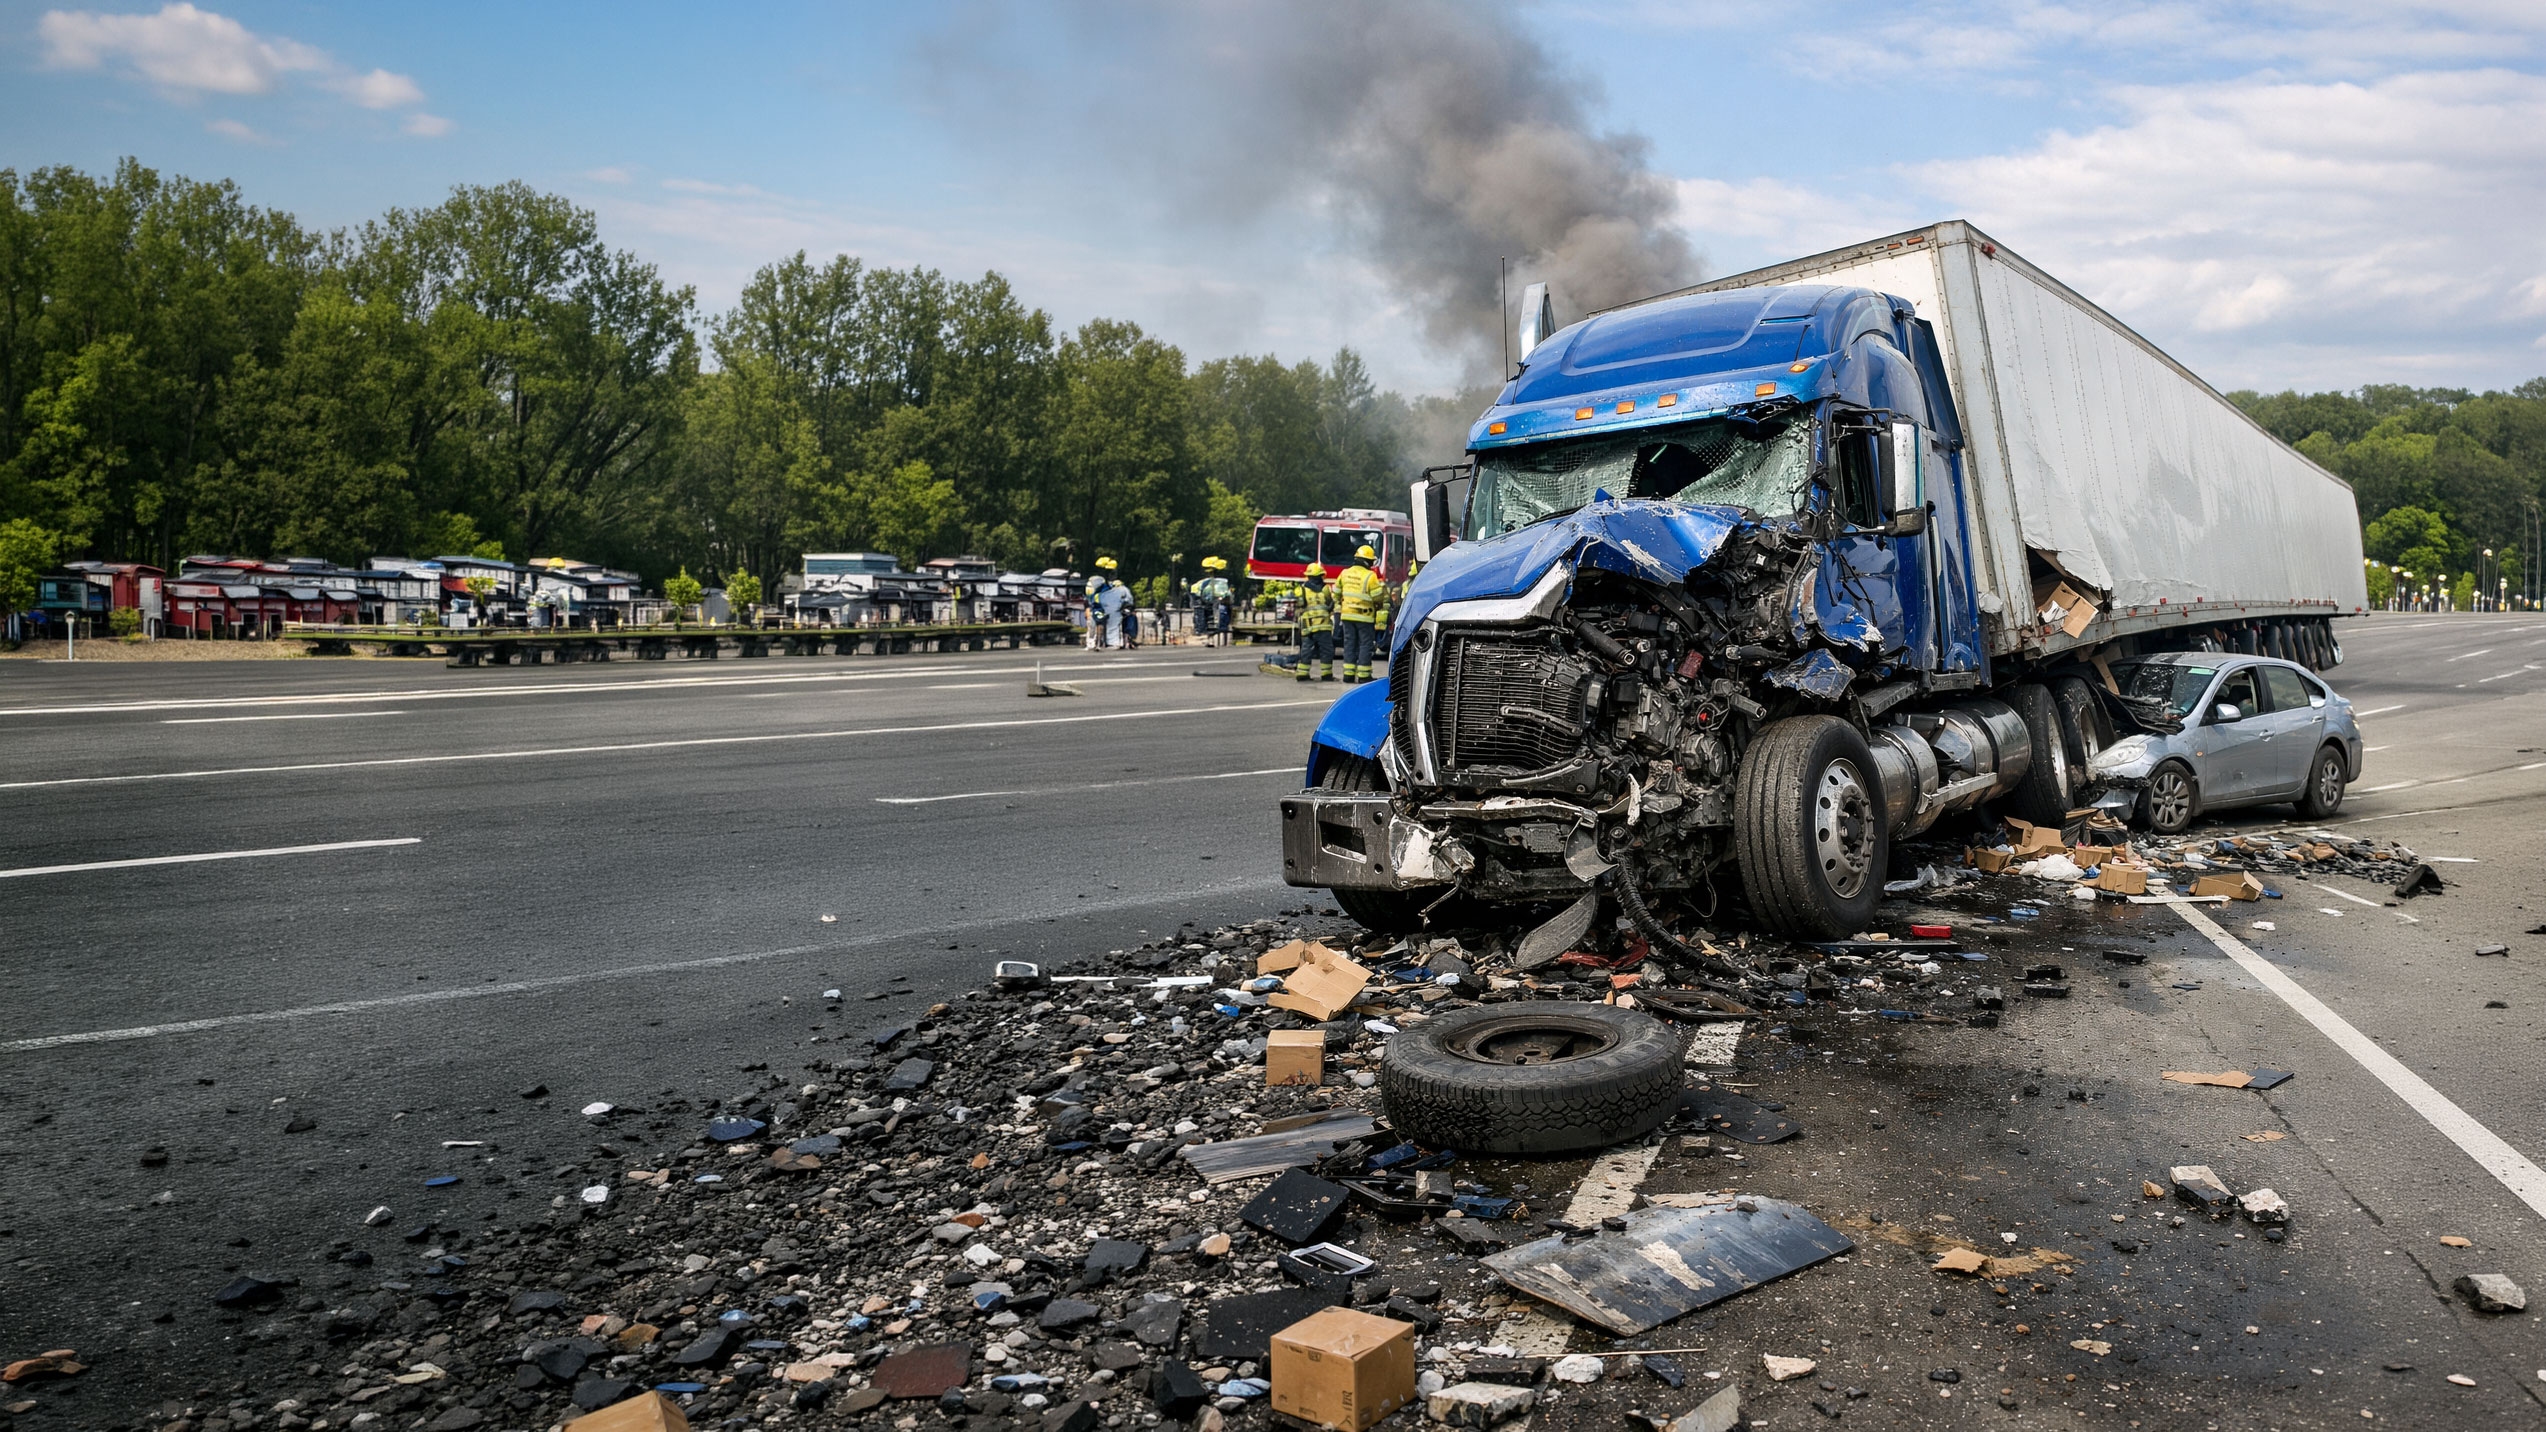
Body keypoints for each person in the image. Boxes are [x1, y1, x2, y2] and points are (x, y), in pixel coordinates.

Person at [1334, 543, 1384, 684]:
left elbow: (1336, 593)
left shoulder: (1344, 573)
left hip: (1347, 616)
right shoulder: (1370, 576)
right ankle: (1363, 675)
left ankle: (1348, 675)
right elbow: (1378, 597)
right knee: (1365, 644)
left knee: (1349, 643)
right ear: (1367, 561)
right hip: (1365, 617)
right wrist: (1379, 606)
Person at [1295, 566, 1336, 682]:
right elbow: (1330, 604)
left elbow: (1300, 605)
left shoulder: (1302, 590)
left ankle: (1303, 673)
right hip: (1324, 625)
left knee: (1306, 649)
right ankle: (1326, 674)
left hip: (1308, 626)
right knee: (1326, 650)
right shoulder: (1326, 589)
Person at [1193, 560, 1234, 647]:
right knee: (1212, 625)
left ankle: (1217, 641)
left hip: (1214, 607)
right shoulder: (1208, 583)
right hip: (1211, 607)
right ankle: (1212, 640)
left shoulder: (1219, 583)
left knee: (1216, 626)